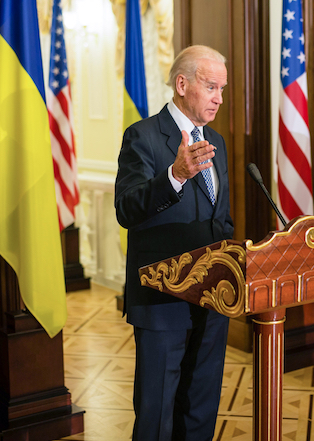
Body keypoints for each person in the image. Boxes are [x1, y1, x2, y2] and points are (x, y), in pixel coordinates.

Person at [114, 45, 233, 441]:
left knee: (201, 402)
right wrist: (175, 176)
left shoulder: (216, 139)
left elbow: (221, 219)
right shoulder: (144, 136)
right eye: (211, 86)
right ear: (182, 84)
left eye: (222, 88)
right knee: (157, 411)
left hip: (214, 294)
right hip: (162, 297)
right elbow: (127, 209)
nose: (219, 97)